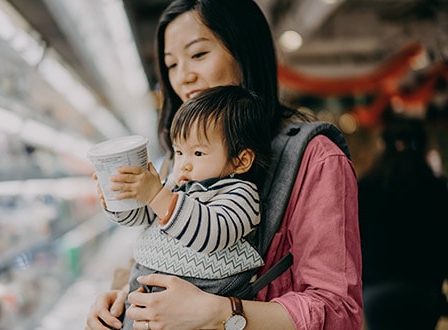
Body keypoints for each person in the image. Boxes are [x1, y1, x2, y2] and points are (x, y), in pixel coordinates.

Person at [86, 0, 362, 329]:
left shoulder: (315, 158)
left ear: (245, 52)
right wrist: (126, 296)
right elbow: (168, 243)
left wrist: (222, 313)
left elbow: (339, 311)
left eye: (199, 54)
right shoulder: (184, 155)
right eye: (171, 64)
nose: (183, 77)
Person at [98, 85, 272, 330]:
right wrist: (119, 199)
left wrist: (157, 194)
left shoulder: (240, 194)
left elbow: (214, 232)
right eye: (179, 152)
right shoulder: (176, 185)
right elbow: (144, 215)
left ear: (241, 160)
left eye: (198, 153)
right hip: (142, 294)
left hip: (194, 310)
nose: (184, 165)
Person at [358, 116, 448, 330]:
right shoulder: (436, 188)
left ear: (383, 144)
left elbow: (355, 240)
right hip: (423, 291)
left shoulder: (366, 186)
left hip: (375, 291)